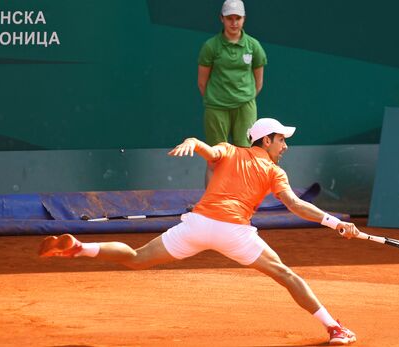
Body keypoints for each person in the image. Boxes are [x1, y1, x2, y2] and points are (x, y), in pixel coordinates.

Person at [38, 118, 358, 346]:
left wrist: (195, 142)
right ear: (266, 140)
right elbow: (296, 206)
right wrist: (335, 222)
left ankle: (80, 247)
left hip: (198, 225)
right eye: (281, 139)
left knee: (136, 258)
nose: (285, 146)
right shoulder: (275, 171)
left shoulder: (230, 150)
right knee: (288, 276)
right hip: (233, 231)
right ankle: (335, 329)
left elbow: (209, 152)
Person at [198, 0, 267, 185]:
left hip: (245, 106)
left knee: (245, 155)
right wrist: (217, 99)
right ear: (222, 19)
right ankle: (211, 205)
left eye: (238, 18)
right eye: (229, 18)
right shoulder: (210, 46)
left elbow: (258, 82)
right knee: (215, 156)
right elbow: (202, 82)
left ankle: (239, 203)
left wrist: (245, 97)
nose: (234, 22)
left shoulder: (253, 46)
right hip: (216, 107)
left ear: (244, 19)